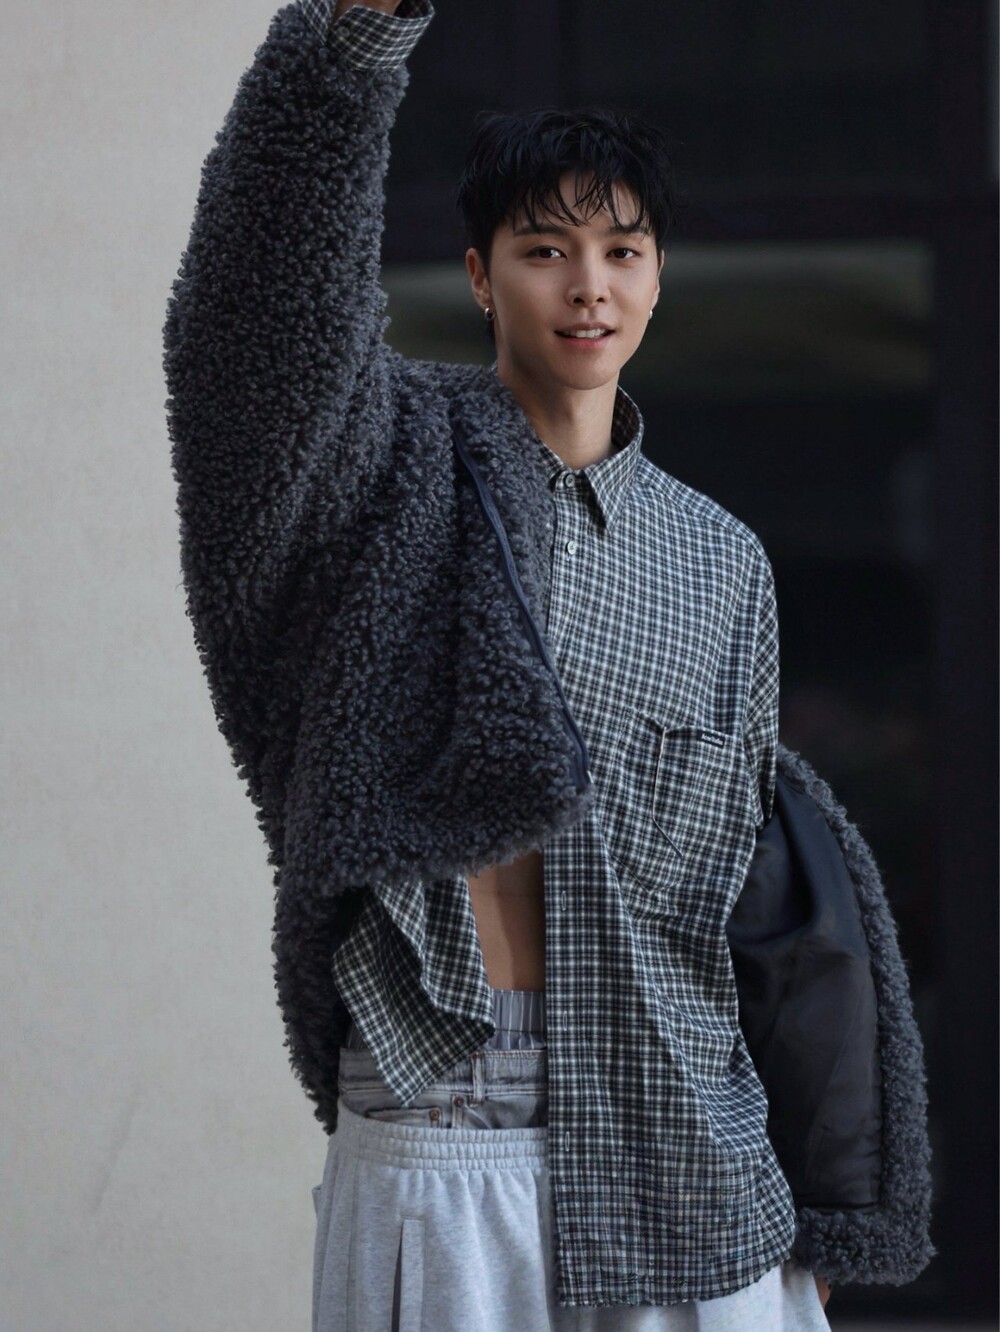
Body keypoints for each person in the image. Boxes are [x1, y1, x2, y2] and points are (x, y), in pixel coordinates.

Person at [163, 2, 931, 1327]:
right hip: (445, 1118)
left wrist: (809, 1205)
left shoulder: (719, 559)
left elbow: (751, 898)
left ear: (659, 273)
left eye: (622, 250)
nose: (588, 286)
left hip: (690, 1150)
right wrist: (347, 49)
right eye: (543, 250)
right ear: (478, 276)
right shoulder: (381, 474)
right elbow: (255, 333)